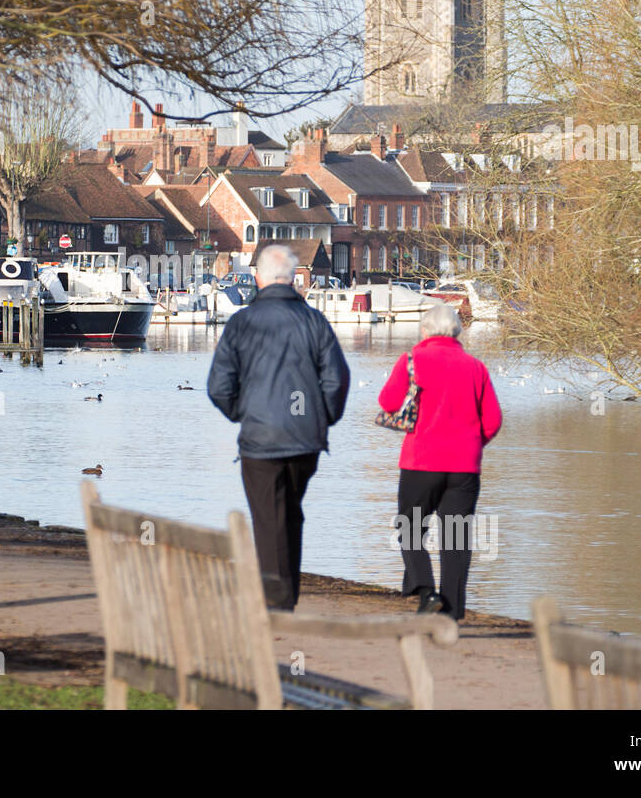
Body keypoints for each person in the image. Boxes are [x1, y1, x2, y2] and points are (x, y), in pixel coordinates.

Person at [206, 244, 350, 610]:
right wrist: (321, 419)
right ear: (292, 280)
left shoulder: (242, 322)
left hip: (261, 440)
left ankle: (277, 604)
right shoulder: (314, 321)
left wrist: (244, 413)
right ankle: (285, 597)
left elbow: (219, 386)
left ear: (258, 279)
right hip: (305, 441)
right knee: (289, 513)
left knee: (270, 519)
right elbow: (337, 380)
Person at [377, 303, 502, 620]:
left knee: (410, 527)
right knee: (457, 537)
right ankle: (453, 611)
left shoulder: (413, 361)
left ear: (424, 331)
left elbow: (388, 402)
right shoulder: (476, 367)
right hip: (464, 467)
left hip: (421, 461)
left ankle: (425, 590)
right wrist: (473, 443)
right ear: (457, 332)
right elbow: (493, 420)